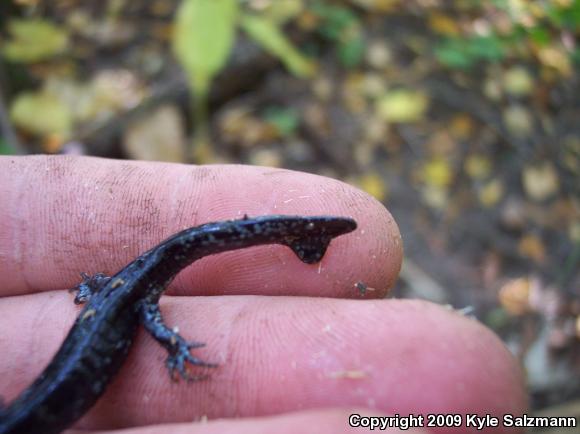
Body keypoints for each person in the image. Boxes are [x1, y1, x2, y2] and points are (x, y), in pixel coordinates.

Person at [0, 156, 526, 433]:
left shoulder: (142, 294)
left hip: (121, 296)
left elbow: (148, 312)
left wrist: (173, 343)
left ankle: (306, 236)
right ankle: (303, 238)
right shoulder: (139, 290)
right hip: (115, 292)